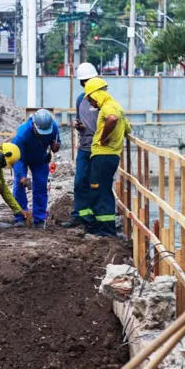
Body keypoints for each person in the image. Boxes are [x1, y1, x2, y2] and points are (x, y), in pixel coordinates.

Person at [83, 77, 131, 238]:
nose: (91, 103)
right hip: (109, 156)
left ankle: (106, 230)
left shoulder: (108, 108)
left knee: (101, 191)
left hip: (103, 156)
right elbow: (128, 128)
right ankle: (97, 226)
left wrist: (104, 137)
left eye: (90, 98)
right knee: (98, 188)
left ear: (96, 94)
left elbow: (112, 119)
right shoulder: (117, 106)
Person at [63, 62, 100, 228]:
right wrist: (78, 126)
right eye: (83, 82)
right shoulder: (80, 100)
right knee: (79, 182)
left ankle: (95, 216)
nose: (85, 85)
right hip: (84, 147)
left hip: (99, 148)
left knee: (96, 183)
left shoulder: (103, 99)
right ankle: (80, 215)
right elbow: (81, 119)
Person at [11, 109, 61, 228]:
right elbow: (17, 158)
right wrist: (22, 175)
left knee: (41, 185)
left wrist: (55, 147)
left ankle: (39, 218)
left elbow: (56, 146)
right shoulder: (22, 134)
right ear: (34, 125)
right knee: (19, 185)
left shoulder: (53, 127)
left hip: (40, 158)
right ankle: (21, 216)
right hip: (21, 157)